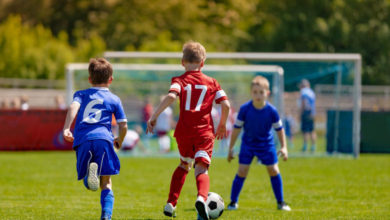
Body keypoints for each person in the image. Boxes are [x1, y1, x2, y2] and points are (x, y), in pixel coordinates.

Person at [146, 41, 230, 220]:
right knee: (201, 168)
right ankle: (201, 198)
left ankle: (171, 203)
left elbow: (171, 96)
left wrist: (154, 115)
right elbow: (226, 104)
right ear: (203, 63)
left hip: (184, 131)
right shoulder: (212, 82)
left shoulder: (179, 80)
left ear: (182, 62)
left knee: (184, 164)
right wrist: (222, 124)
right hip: (204, 132)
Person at [62, 58, 128, 220]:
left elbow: (73, 107)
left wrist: (66, 128)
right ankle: (106, 215)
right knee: (106, 182)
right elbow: (123, 124)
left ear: (90, 79)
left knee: (88, 175)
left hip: (83, 139)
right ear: (111, 80)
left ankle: (87, 177)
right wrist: (120, 139)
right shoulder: (114, 99)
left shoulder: (81, 94)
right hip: (104, 139)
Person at [227, 75, 291, 212]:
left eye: (261, 92)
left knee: (273, 170)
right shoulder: (245, 109)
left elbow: (280, 130)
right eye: (255, 92)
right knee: (242, 171)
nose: (258, 95)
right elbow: (236, 129)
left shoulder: (272, 111)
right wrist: (231, 148)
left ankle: (281, 202)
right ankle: (233, 202)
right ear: (251, 93)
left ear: (267, 93)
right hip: (248, 145)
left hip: (266, 145)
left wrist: (284, 147)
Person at [299, 79, 316, 152]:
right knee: (312, 130)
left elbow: (303, 103)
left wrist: (300, 113)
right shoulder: (312, 92)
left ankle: (305, 146)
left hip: (306, 112)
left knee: (305, 130)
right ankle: (313, 146)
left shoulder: (303, 92)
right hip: (312, 113)